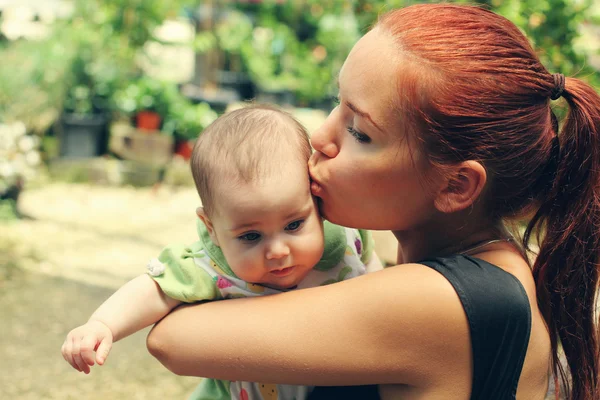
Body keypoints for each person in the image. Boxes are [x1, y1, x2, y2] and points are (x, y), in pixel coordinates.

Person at [146, 4, 600, 400]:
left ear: (456, 186)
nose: (321, 138)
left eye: (359, 132)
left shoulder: (437, 300)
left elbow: (173, 338)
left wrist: (232, 237)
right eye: (335, 104)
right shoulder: (482, 265)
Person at [61, 105, 379, 400]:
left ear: (315, 200)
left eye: (294, 224)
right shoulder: (213, 265)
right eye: (251, 236)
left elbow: (377, 279)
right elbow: (153, 289)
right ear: (212, 227)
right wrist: (102, 325)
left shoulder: (345, 235)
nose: (278, 251)